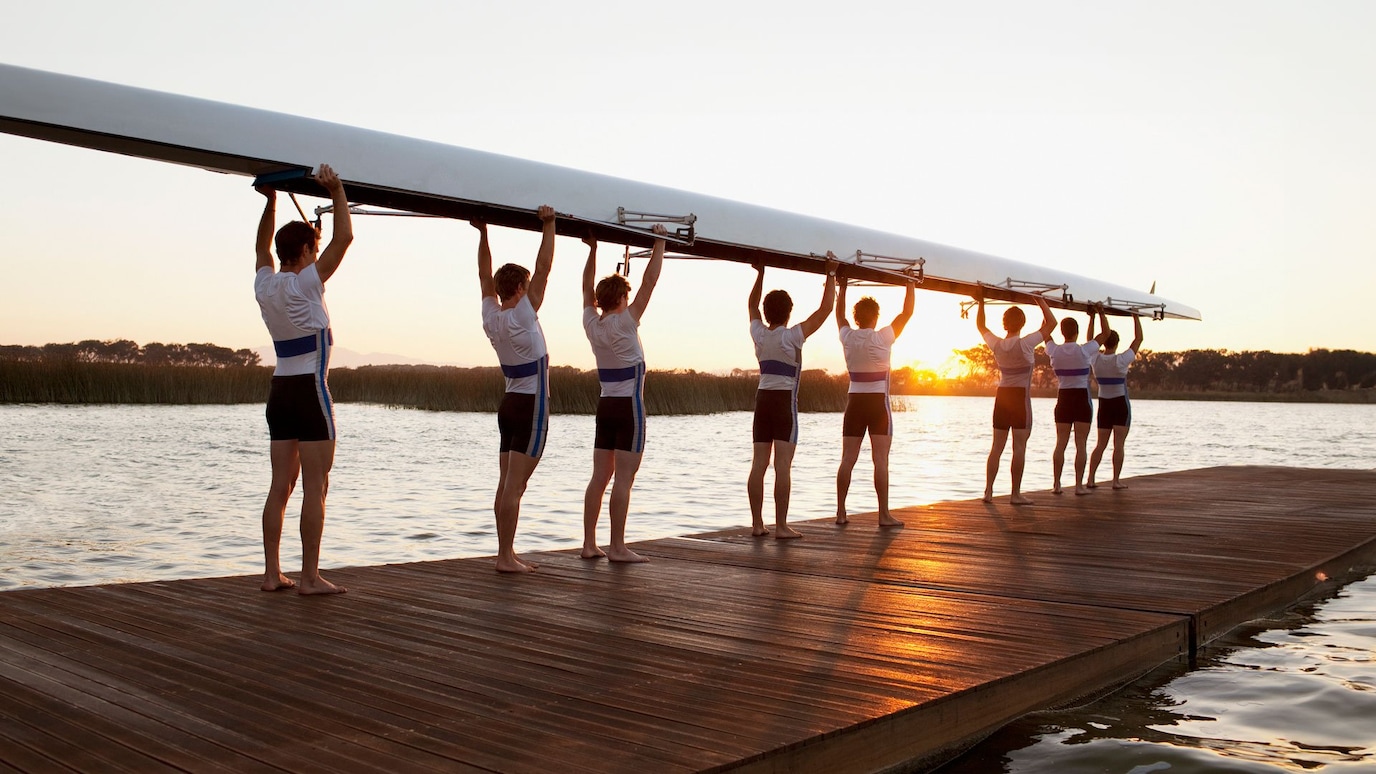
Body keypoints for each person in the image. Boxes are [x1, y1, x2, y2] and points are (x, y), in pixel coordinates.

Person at [253, 164, 353, 594]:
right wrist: (337, 190)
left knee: (281, 485)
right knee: (317, 487)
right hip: (312, 392)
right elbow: (344, 239)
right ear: (309, 252)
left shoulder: (265, 285)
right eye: (314, 248)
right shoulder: (306, 285)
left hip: (279, 391)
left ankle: (272, 574)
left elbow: (262, 250)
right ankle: (310, 577)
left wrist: (271, 202)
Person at [474, 205, 556, 573]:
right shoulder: (524, 313)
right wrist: (549, 225)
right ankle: (506, 556)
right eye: (528, 285)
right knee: (514, 486)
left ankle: (504, 552)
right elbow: (545, 268)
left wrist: (483, 233)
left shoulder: (491, 317)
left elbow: (481, 275)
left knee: (507, 482)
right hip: (531, 407)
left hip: (509, 404)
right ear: (520, 289)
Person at [580, 224, 667, 562]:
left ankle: (589, 545)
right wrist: (659, 242)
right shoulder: (627, 321)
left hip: (605, 407)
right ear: (622, 299)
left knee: (600, 477)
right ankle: (617, 547)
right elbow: (650, 282)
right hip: (629, 408)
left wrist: (592, 250)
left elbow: (585, 289)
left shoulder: (591, 324)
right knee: (624, 480)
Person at [747, 258, 837, 539]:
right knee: (782, 466)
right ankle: (782, 526)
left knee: (758, 465)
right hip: (784, 402)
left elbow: (751, 306)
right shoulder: (792, 337)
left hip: (762, 401)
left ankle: (757, 525)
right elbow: (825, 310)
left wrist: (760, 273)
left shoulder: (759, 333)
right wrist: (831, 274)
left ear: (767, 312)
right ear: (788, 313)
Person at [834, 272, 915, 527]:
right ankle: (883, 515)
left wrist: (843, 288)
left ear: (857, 318)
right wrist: (910, 284)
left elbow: (840, 316)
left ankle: (841, 513)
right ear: (876, 317)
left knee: (848, 458)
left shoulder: (847, 336)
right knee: (880, 460)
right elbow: (906, 313)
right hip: (878, 403)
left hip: (854, 402)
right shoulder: (883, 337)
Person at [974, 288, 1056, 505]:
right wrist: (1039, 300)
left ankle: (988, 492)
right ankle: (1015, 495)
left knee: (996, 448)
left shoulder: (997, 344)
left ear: (1004, 324)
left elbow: (981, 326)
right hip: (1020, 399)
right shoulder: (1027, 343)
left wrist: (981, 302)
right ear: (1022, 324)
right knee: (1018, 447)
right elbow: (1051, 325)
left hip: (1001, 398)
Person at [1046, 307, 1108, 495]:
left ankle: (1056, 484)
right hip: (1080, 398)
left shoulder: (1054, 351)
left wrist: (1044, 306)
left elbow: (1045, 332)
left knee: (1060, 443)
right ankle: (1079, 486)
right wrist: (1100, 313)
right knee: (1080, 443)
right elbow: (1105, 334)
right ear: (1077, 332)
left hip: (1063, 398)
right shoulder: (1084, 351)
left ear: (1062, 332)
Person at [1089, 307, 1144, 490]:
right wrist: (1135, 317)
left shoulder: (1095, 360)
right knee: (1118, 444)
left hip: (1104, 405)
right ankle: (1115, 481)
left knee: (1100, 445)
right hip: (1120, 404)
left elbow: (1090, 342)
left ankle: (1090, 479)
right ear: (1117, 343)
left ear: (1103, 343)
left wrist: (1094, 317)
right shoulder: (1121, 360)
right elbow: (1138, 340)